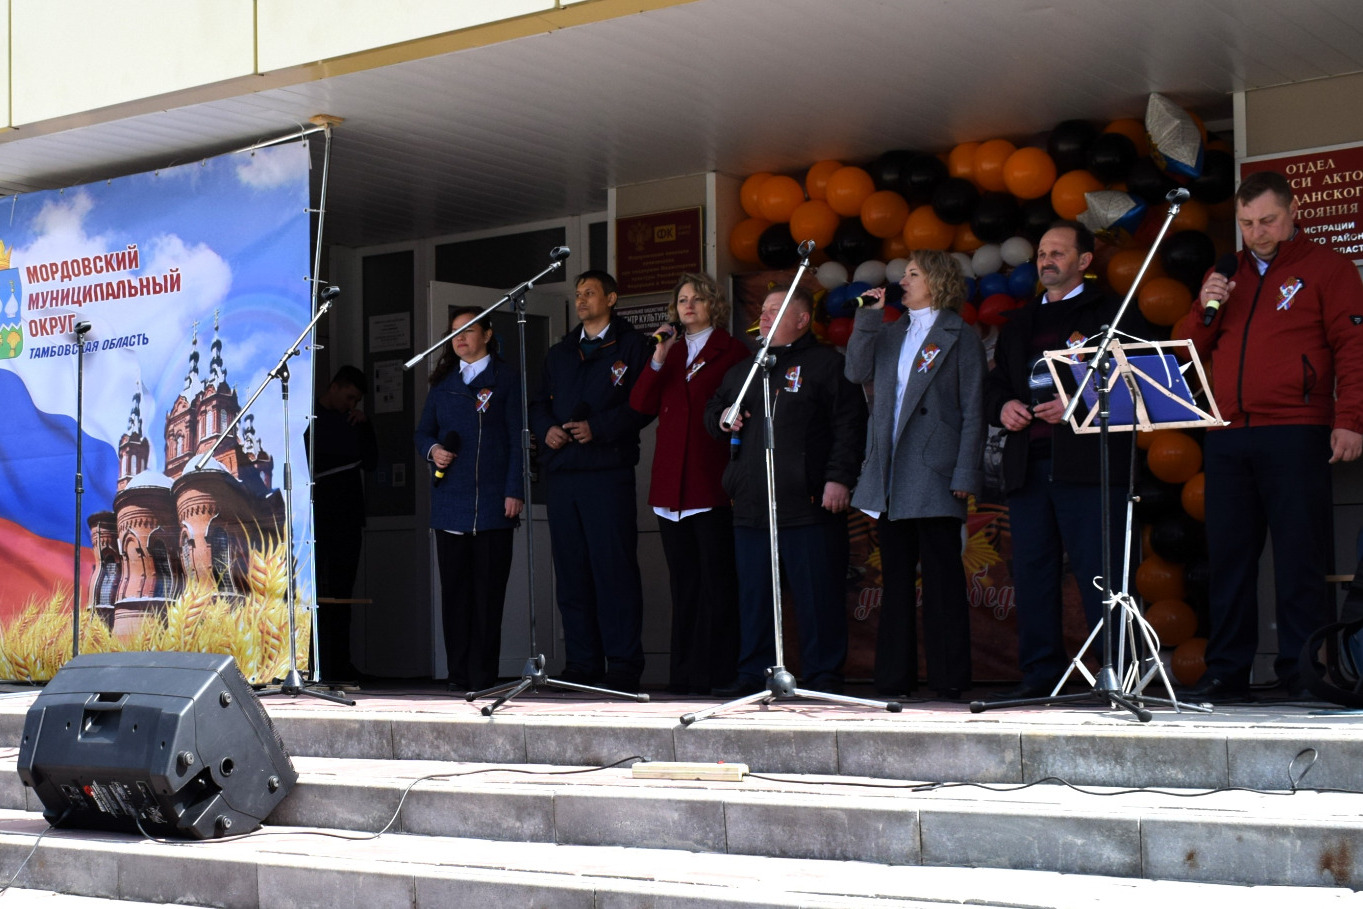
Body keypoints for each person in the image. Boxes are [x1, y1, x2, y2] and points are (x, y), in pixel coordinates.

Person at [1185, 170, 1363, 699]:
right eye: (1246, 223)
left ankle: (1302, 673)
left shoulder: (1327, 267)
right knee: (1229, 559)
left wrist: (1350, 418)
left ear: (1293, 212)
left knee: (1299, 558)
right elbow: (1188, 348)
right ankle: (1226, 671)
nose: (1257, 233)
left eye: (1267, 220)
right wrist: (1204, 304)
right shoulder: (1226, 274)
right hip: (1227, 432)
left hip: (1296, 428)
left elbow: (1354, 347)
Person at [983, 221, 1151, 700]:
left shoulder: (1111, 313)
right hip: (1028, 466)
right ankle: (1040, 675)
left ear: (1084, 260)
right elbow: (996, 385)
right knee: (1032, 575)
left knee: (1102, 574)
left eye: (1058, 252)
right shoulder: (1019, 323)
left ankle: (1120, 675)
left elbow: (1138, 379)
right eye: (1041, 253)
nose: (1046, 260)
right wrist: (1003, 407)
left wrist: (1079, 404)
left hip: (1089, 466)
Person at [706, 284, 867, 696]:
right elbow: (714, 413)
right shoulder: (745, 370)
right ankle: (753, 675)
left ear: (801, 319)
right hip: (752, 504)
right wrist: (723, 418)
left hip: (808, 503)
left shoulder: (827, 364)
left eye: (776, 309)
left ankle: (823, 675)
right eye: (763, 309)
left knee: (817, 595)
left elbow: (850, 426)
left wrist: (839, 478)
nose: (764, 316)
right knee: (755, 597)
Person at [844, 251, 986, 700]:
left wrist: (965, 471)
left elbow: (974, 410)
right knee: (896, 580)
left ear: (936, 281)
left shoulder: (959, 335)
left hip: (936, 469)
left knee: (943, 580)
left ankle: (949, 680)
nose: (902, 280)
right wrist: (868, 318)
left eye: (913, 274)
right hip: (890, 470)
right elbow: (855, 371)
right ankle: (894, 680)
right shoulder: (890, 332)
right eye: (903, 274)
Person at [528, 270, 653, 691]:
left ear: (612, 298)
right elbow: (537, 404)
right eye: (578, 293)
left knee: (613, 569)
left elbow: (643, 405)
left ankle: (623, 665)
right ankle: (582, 663)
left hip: (607, 472)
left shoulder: (632, 346)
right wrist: (546, 428)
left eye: (590, 293)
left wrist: (598, 428)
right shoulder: (560, 352)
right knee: (572, 572)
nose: (581, 300)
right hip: (564, 473)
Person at [629, 273, 749, 695]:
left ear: (714, 304)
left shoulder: (732, 350)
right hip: (670, 486)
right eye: (682, 300)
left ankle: (718, 673)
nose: (689, 305)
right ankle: (684, 674)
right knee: (684, 586)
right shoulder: (671, 350)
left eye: (697, 298)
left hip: (709, 480)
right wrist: (657, 357)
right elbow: (640, 404)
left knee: (717, 584)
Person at [415, 307, 524, 692]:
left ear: (488, 335)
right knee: (456, 596)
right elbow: (423, 433)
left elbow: (518, 438)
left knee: (488, 597)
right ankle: (458, 674)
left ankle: (483, 676)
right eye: (454, 332)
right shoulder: (443, 384)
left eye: (468, 330)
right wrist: (433, 451)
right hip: (451, 505)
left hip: (494, 504)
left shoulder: (507, 379)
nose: (459, 338)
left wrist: (514, 489)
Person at [307, 365, 378, 679]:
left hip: (348, 517)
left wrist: (365, 426)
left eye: (357, 400)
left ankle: (340, 663)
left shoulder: (354, 422)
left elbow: (372, 462)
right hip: (316, 517)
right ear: (334, 387)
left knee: (342, 593)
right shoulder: (308, 417)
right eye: (349, 397)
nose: (352, 404)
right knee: (313, 592)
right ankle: (312, 662)